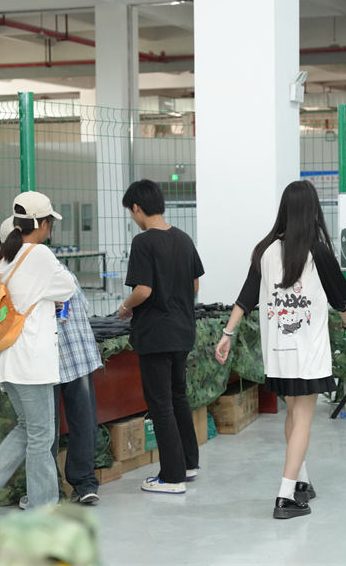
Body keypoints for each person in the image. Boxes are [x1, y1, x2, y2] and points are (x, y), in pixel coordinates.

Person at [215, 180, 346, 520]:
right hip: (308, 352)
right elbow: (340, 300)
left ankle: (300, 481)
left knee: (293, 414)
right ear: (312, 211)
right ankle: (285, 496)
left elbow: (246, 297)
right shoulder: (318, 252)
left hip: (278, 352)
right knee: (303, 419)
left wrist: (227, 333)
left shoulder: (264, 251)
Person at [0, 191, 75, 521]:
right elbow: (68, 286)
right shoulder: (39, 255)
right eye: (50, 222)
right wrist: (48, 296)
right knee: (41, 436)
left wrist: (45, 296)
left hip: (7, 360)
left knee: (27, 429)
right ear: (40, 224)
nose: (50, 228)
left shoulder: (5, 262)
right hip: (32, 364)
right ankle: (43, 507)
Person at [1, 216, 105, 507]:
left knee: (44, 429)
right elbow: (80, 303)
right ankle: (80, 485)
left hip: (50, 359)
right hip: (71, 355)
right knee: (77, 421)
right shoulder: (48, 265)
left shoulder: (20, 273)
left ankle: (52, 492)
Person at [118, 179, 204, 494]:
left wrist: (125, 307)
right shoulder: (183, 238)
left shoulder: (143, 242)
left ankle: (172, 477)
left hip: (155, 334)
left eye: (131, 212)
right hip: (182, 331)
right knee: (178, 397)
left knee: (160, 404)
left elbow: (143, 290)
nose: (133, 218)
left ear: (137, 207)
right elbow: (195, 285)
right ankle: (189, 463)